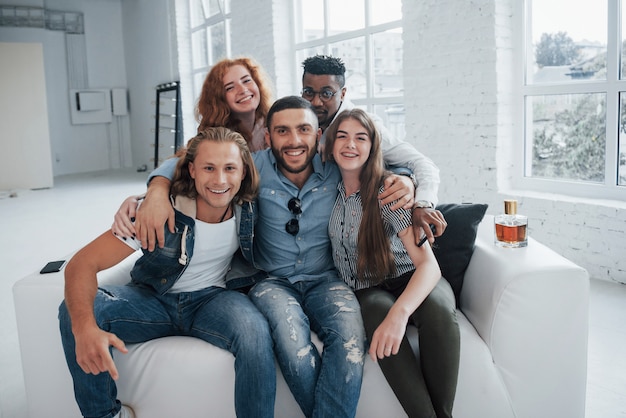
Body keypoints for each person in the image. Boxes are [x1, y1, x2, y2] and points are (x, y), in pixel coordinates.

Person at [58, 127, 276, 418]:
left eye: (230, 168)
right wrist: (84, 329)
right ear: (192, 170)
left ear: (243, 173)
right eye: (209, 168)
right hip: (152, 300)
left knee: (255, 332)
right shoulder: (158, 211)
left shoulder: (248, 208)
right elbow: (81, 264)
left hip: (212, 300)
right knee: (77, 310)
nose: (220, 180)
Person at [324, 108, 460, 418]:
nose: (350, 144)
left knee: (438, 310)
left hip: (413, 275)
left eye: (361, 138)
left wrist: (401, 314)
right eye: (342, 136)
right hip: (367, 286)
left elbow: (429, 266)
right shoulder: (323, 191)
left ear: (373, 146)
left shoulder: (388, 190)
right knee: (374, 309)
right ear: (330, 145)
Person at [300, 54, 446, 241]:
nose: (316, 102)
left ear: (343, 93)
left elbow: (420, 162)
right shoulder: (301, 122)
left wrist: (422, 202)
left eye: (326, 93)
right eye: (308, 92)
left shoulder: (366, 127)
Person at [196, 56, 274, 151]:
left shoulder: (274, 123)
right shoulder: (213, 139)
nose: (243, 90)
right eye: (230, 88)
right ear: (219, 99)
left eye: (246, 81)